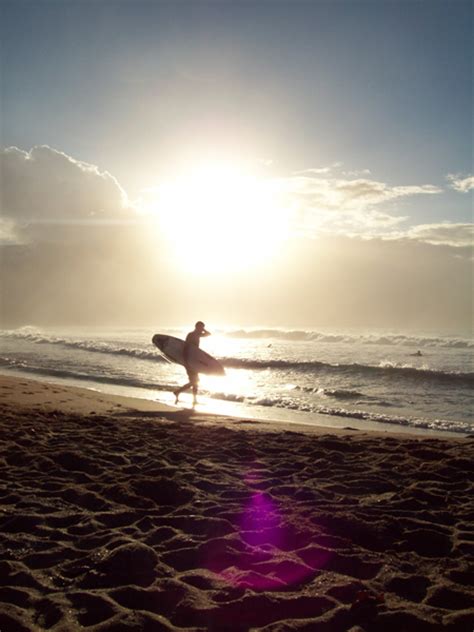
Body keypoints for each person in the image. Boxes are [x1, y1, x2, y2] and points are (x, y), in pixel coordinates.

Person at [173, 321, 211, 406]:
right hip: (189, 360)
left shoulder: (198, 335)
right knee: (195, 381)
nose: (202, 330)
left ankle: (185, 395)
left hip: (194, 360)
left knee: (195, 381)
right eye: (201, 328)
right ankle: (179, 392)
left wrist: (203, 329)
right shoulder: (191, 335)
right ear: (197, 327)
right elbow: (186, 347)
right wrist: (186, 361)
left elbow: (209, 334)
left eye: (202, 328)